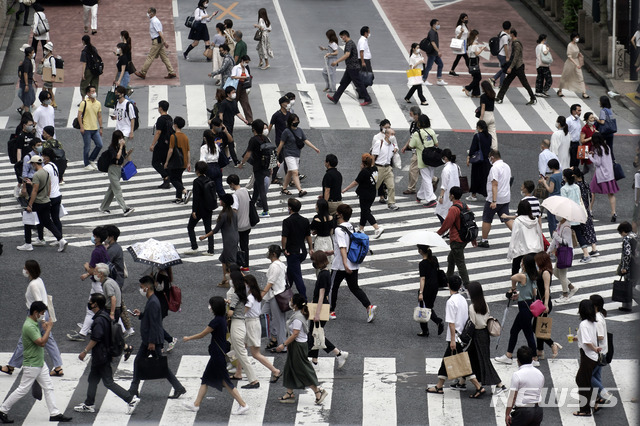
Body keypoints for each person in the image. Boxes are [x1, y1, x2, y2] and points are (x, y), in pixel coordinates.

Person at [0, 301, 72, 424]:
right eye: (42, 314)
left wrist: (44, 325)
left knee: (48, 387)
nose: (43, 316)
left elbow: (41, 332)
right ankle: (2, 410)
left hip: (39, 362)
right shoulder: (29, 326)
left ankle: (54, 413)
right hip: (32, 364)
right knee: (22, 389)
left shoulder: (34, 322)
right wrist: (48, 329)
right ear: (35, 312)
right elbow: (42, 342)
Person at [181, 296, 249, 415]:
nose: (209, 307)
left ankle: (243, 404)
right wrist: (226, 302)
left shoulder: (216, 321)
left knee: (226, 382)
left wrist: (188, 338)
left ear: (215, 308)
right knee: (206, 379)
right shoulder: (223, 317)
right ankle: (196, 404)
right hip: (218, 353)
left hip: (217, 355)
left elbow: (202, 335)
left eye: (211, 305)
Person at [73, 293, 139, 413]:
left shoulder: (99, 320)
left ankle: (130, 399)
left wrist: (84, 351)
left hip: (100, 355)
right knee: (92, 379)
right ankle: (89, 404)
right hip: (105, 354)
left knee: (108, 382)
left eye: (91, 302)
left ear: (95, 304)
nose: (89, 303)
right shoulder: (105, 316)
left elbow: (95, 339)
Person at [1, 260, 64, 377]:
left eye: (25, 268)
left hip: (36, 316)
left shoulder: (33, 285)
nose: (23, 270)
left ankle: (11, 366)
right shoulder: (39, 280)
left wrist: (43, 320)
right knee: (49, 340)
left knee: (23, 341)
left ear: (29, 270)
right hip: (41, 315)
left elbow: (39, 302)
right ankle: (58, 367)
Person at [128, 276, 186, 399]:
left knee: (149, 364)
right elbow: (151, 318)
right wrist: (141, 314)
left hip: (151, 340)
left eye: (141, 287)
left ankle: (134, 389)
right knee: (150, 364)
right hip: (149, 339)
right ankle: (134, 389)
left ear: (147, 287)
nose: (141, 289)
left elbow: (155, 323)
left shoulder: (153, 302)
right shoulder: (152, 300)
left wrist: (152, 342)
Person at [425, 276, 484, 396]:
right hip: (462, 335)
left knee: (461, 363)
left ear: (448, 285)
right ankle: (439, 386)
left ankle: (478, 386)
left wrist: (452, 340)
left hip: (455, 337)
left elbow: (451, 323)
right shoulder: (462, 299)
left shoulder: (451, 301)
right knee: (447, 360)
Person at [275, 294, 328, 405]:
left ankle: (318, 392)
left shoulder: (298, 318)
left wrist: (283, 345)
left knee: (302, 370)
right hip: (295, 345)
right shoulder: (298, 314)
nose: (289, 301)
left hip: (298, 346)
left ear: (295, 304)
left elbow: (295, 334)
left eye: (291, 300)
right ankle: (289, 393)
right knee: (289, 368)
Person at [328, 203, 377, 321]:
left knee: (332, 287)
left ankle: (331, 311)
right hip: (353, 264)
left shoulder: (339, 230)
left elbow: (343, 247)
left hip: (340, 265)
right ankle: (368, 306)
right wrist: (328, 252)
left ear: (339, 214)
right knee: (354, 288)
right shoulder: (351, 227)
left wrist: (344, 264)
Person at [67, 226, 110, 342]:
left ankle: (83, 333)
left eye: (94, 236)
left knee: (94, 308)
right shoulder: (103, 249)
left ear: (97, 238)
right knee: (102, 307)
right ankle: (84, 332)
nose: (93, 237)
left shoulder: (96, 251)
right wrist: (87, 275)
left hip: (97, 285)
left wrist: (86, 268)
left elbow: (92, 270)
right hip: (101, 281)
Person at [494, 255, 539, 365]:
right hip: (529, 306)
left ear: (525, 264)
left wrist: (513, 288)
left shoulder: (523, 276)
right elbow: (534, 293)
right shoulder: (532, 276)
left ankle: (534, 358)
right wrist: (521, 294)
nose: (521, 263)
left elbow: (512, 277)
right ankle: (508, 355)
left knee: (528, 333)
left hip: (524, 308)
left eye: (522, 262)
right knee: (514, 331)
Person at [465, 282, 507, 394]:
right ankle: (461, 381)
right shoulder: (485, 304)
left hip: (477, 335)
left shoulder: (472, 307)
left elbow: (472, 323)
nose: (467, 293)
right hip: (484, 333)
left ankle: (500, 384)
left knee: (484, 360)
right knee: (470, 356)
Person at [308, 251, 349, 366]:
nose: (313, 263)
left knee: (315, 334)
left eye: (314, 261)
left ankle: (339, 353)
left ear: (319, 261)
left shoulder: (323, 275)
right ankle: (315, 360)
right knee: (315, 333)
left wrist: (317, 313)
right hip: (321, 306)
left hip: (319, 308)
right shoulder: (326, 273)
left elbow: (321, 295)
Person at [21, 155, 68, 252]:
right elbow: (49, 186)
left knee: (28, 222)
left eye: (32, 164)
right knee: (48, 222)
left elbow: (34, 191)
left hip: (38, 202)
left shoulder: (37, 175)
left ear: (34, 164)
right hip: (46, 201)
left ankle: (28, 243)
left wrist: (30, 204)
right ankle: (61, 239)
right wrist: (46, 196)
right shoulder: (46, 172)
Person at [243, 275, 281, 378]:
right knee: (241, 349)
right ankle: (238, 372)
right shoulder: (256, 295)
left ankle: (275, 370)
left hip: (251, 324)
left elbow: (243, 312)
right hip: (252, 323)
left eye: (244, 284)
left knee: (255, 353)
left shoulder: (250, 298)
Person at [225, 272, 259, 387]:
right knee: (239, 352)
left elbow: (231, 312)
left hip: (236, 324)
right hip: (241, 323)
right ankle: (244, 376)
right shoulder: (243, 294)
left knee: (242, 354)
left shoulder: (235, 295)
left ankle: (254, 380)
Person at [277, 114, 320, 197]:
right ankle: (300, 190)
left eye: (297, 120)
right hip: (288, 154)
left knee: (290, 172)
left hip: (297, 154)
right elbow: (281, 144)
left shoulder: (300, 130)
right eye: (294, 121)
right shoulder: (286, 132)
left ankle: (284, 188)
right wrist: (276, 155)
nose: (296, 122)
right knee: (295, 172)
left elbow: (305, 140)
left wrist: (315, 148)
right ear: (290, 122)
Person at [200, 194, 238, 287]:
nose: (219, 200)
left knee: (231, 262)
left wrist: (205, 236)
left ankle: (240, 281)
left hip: (228, 240)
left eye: (221, 200)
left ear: (224, 203)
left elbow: (215, 230)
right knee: (223, 259)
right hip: (235, 238)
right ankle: (225, 279)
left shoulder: (224, 215)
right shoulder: (234, 213)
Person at [437, 186, 472, 285]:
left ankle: (466, 284)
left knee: (460, 263)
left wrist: (438, 234)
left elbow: (447, 224)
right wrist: (472, 238)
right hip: (464, 238)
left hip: (457, 239)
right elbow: (470, 221)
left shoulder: (453, 209)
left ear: (452, 196)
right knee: (451, 259)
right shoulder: (464, 205)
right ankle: (448, 279)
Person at [342, 153, 383, 238]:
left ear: (363, 162)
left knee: (366, 211)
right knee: (364, 210)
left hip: (365, 194)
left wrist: (346, 189)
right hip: (372, 193)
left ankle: (376, 228)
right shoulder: (375, 168)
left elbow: (356, 182)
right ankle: (361, 229)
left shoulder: (364, 172)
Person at [327, 30, 372, 107]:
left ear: (345, 36)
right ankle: (335, 98)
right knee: (343, 83)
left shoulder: (349, 44)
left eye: (341, 37)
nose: (341, 39)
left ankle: (367, 99)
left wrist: (336, 61)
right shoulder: (350, 43)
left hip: (353, 68)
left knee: (359, 84)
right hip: (350, 68)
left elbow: (347, 55)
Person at [238, 120, 273, 217]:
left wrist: (242, 163)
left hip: (258, 167)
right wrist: (271, 167)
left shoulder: (253, 140)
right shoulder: (265, 138)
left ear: (253, 129)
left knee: (261, 189)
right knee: (257, 186)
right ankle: (251, 205)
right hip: (266, 165)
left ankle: (266, 211)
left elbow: (248, 153)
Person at [504, 346, 545, 426]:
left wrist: (507, 414)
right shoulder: (540, 374)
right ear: (532, 359)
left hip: (523, 412)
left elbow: (513, 397)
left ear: (518, 361)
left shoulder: (517, 375)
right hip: (538, 411)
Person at [478, 150, 511, 248]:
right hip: (505, 197)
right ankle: (520, 236)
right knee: (506, 218)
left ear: (492, 157)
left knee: (487, 219)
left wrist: (494, 201)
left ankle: (484, 240)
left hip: (495, 198)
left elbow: (494, 184)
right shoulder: (507, 166)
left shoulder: (494, 168)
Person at [281, 198, 313, 299]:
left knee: (297, 276)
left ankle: (304, 299)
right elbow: (308, 236)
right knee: (291, 272)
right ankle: (284, 292)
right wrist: (310, 248)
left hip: (292, 252)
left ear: (290, 208)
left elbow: (284, 237)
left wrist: (284, 249)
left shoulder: (287, 221)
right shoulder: (305, 220)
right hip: (302, 251)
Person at [495, 28, 536, 105]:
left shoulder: (516, 44)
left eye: (509, 34)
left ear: (512, 34)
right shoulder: (514, 43)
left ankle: (533, 98)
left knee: (524, 83)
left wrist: (510, 67)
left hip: (518, 67)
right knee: (506, 82)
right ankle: (499, 97)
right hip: (515, 67)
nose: (509, 36)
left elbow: (516, 57)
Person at [574, 299, 601, 417]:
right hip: (592, 357)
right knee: (586, 380)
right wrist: (576, 338)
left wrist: (594, 348)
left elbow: (587, 341)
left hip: (588, 356)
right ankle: (594, 402)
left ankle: (585, 410)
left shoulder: (583, 324)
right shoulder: (592, 322)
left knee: (581, 381)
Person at [134, 7, 177, 79]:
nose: (147, 14)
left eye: (148, 12)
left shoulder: (154, 21)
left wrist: (165, 42)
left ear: (152, 13)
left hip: (156, 42)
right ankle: (171, 72)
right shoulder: (154, 20)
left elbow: (159, 32)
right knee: (164, 57)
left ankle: (143, 72)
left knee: (150, 57)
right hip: (159, 41)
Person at [99, 130, 134, 216]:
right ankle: (125, 209)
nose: (121, 139)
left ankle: (103, 207)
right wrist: (121, 146)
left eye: (122, 137)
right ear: (116, 139)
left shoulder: (121, 146)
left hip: (119, 170)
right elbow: (117, 157)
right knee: (117, 190)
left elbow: (123, 157)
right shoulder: (112, 148)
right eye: (120, 138)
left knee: (111, 191)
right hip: (112, 170)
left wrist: (128, 153)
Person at [533, 252, 562, 359]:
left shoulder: (546, 272)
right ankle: (540, 350)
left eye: (537, 260)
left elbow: (546, 289)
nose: (536, 262)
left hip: (544, 303)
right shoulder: (540, 271)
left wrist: (546, 304)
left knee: (535, 327)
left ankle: (552, 344)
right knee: (539, 326)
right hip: (539, 302)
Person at [561, 169, 592, 263]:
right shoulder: (576, 187)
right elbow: (579, 199)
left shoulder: (564, 189)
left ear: (565, 178)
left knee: (564, 234)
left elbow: (564, 202)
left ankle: (566, 255)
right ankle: (586, 254)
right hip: (577, 212)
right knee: (579, 233)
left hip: (568, 214)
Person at [506, 201, 543, 275]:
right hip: (535, 248)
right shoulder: (534, 220)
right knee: (533, 269)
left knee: (515, 268)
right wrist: (542, 249)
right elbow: (539, 235)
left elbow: (514, 237)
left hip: (522, 249)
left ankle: (514, 284)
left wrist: (510, 254)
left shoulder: (518, 221)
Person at [409, 115, 438, 207]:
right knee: (428, 177)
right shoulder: (431, 131)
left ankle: (431, 198)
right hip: (432, 158)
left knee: (426, 179)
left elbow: (411, 145)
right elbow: (436, 144)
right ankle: (420, 195)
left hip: (422, 159)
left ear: (420, 123)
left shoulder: (417, 133)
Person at [588, 132, 618, 222]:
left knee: (592, 191)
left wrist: (590, 156)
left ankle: (590, 211)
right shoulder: (606, 147)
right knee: (611, 194)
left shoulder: (597, 149)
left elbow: (598, 163)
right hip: (609, 174)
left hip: (600, 174)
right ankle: (613, 212)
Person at [262, 245, 288, 350]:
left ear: (273, 254)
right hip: (275, 295)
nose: (267, 253)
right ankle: (274, 337)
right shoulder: (281, 264)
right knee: (263, 315)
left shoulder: (275, 266)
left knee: (279, 321)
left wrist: (261, 295)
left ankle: (282, 345)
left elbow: (270, 283)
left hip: (277, 296)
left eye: (269, 251)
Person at [415, 245, 445, 337]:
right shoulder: (434, 259)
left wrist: (420, 292)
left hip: (427, 287)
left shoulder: (422, 264)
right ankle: (436, 323)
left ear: (420, 251)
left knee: (423, 308)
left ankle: (427, 329)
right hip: (435, 286)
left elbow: (423, 279)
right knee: (429, 307)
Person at [186, 162, 214, 256]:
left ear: (197, 170)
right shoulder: (209, 179)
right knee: (208, 229)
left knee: (190, 227)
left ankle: (194, 246)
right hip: (208, 208)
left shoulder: (197, 181)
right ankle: (211, 250)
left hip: (199, 209)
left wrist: (194, 210)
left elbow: (196, 198)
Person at [547, 216, 578, 303]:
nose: (556, 216)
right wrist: (548, 251)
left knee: (562, 275)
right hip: (560, 253)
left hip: (565, 253)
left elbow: (566, 242)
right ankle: (572, 288)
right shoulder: (560, 225)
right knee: (556, 273)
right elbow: (554, 240)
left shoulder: (566, 227)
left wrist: (556, 235)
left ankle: (565, 295)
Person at [589, 294, 610, 410]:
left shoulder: (597, 318)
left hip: (598, 352)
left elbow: (600, 336)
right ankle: (598, 398)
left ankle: (604, 394)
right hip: (602, 352)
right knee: (596, 376)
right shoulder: (599, 315)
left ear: (595, 305)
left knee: (587, 376)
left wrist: (586, 338)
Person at [165, 116, 192, 204]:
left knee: (173, 179)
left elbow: (171, 150)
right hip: (183, 162)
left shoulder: (173, 136)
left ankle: (185, 192)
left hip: (176, 162)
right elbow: (188, 151)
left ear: (175, 125)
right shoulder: (185, 137)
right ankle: (179, 198)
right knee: (178, 178)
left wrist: (166, 162)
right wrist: (188, 163)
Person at [572, 167, 599, 255]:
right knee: (590, 228)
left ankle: (584, 249)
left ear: (575, 176)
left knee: (581, 229)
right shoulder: (585, 183)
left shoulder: (575, 186)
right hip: (586, 208)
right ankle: (594, 248)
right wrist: (590, 206)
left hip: (580, 209)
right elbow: (591, 195)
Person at [226, 174, 251, 269]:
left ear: (232, 184)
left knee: (234, 246)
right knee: (245, 246)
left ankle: (236, 264)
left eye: (229, 185)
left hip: (239, 225)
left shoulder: (235, 195)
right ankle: (246, 265)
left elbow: (235, 209)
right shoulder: (245, 191)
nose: (230, 187)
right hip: (247, 224)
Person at [152, 268, 179, 352]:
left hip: (161, 304)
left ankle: (170, 340)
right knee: (157, 324)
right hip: (160, 303)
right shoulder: (160, 273)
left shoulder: (163, 276)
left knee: (157, 325)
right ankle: (162, 345)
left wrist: (154, 282)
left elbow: (160, 288)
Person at [78, 85, 103, 171]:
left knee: (100, 145)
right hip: (86, 128)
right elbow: (79, 115)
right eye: (92, 91)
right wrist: (81, 126)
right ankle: (86, 163)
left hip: (95, 128)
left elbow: (99, 116)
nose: (94, 93)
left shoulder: (98, 103)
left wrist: (101, 127)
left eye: (94, 91)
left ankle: (91, 159)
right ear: (88, 93)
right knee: (87, 147)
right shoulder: (84, 103)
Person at [466, 120, 492, 201]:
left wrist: (469, 157)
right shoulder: (489, 136)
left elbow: (473, 148)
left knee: (475, 177)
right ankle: (487, 194)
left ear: (479, 127)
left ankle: (473, 195)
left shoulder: (477, 136)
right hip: (486, 160)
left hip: (478, 161)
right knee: (485, 178)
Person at [557, 32, 588, 99]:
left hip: (576, 61)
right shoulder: (570, 45)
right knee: (565, 77)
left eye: (578, 37)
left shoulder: (576, 45)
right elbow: (569, 56)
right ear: (572, 38)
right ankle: (560, 90)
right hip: (570, 63)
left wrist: (579, 56)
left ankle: (584, 92)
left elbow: (577, 52)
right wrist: (576, 64)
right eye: (576, 37)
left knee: (580, 77)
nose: (577, 38)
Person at [151, 100, 174, 188]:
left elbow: (158, 132)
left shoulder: (161, 119)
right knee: (165, 162)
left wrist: (153, 144)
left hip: (161, 144)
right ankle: (166, 181)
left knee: (155, 162)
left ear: (160, 108)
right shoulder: (169, 118)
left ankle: (166, 177)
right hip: (168, 143)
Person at [269, 96, 292, 182]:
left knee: (280, 158)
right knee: (285, 158)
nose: (288, 104)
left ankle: (273, 176)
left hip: (288, 140)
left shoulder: (289, 115)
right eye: (287, 102)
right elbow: (270, 126)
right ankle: (288, 178)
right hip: (280, 140)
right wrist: (265, 135)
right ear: (282, 104)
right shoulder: (276, 115)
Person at [401, 106, 423, 195]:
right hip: (415, 149)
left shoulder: (421, 124)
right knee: (420, 168)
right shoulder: (414, 123)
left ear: (416, 114)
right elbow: (412, 136)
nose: (411, 116)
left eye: (411, 114)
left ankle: (411, 188)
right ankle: (433, 179)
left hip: (419, 149)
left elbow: (416, 137)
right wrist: (406, 146)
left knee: (413, 169)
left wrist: (408, 145)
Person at [616, 221, 637, 312]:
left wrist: (624, 267)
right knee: (630, 286)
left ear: (624, 231)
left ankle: (627, 306)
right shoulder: (635, 236)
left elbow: (627, 255)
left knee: (629, 287)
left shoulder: (627, 239)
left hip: (631, 267)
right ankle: (626, 306)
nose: (621, 235)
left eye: (621, 233)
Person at [41, 148, 62, 236]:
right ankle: (60, 236)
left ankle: (57, 237)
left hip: (50, 197)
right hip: (57, 195)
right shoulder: (54, 165)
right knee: (56, 218)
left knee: (44, 218)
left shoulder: (45, 168)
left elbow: (44, 183)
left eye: (43, 156)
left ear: (47, 157)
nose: (42, 157)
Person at [538, 158, 562, 235]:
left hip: (553, 199)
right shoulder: (561, 174)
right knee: (559, 218)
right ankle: (560, 233)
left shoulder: (553, 177)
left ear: (552, 167)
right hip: (560, 197)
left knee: (551, 219)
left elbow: (550, 190)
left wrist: (545, 182)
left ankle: (553, 235)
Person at [435, 149, 460, 222]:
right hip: (456, 193)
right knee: (451, 213)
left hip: (448, 194)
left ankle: (445, 229)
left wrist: (441, 197)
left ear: (445, 157)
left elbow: (444, 185)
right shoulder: (456, 166)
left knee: (440, 212)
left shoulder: (446, 169)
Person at [422, 19, 447, 86]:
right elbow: (433, 42)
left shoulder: (435, 32)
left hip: (434, 53)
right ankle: (423, 80)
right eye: (437, 24)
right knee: (429, 67)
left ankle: (439, 79)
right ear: (433, 25)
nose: (439, 25)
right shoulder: (432, 32)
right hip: (432, 53)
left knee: (440, 64)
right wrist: (438, 51)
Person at [231, 55, 253, 124]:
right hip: (236, 87)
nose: (246, 63)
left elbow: (248, 76)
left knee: (245, 102)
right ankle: (229, 117)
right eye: (246, 62)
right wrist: (240, 77)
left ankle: (250, 120)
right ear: (242, 61)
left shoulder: (246, 68)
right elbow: (232, 76)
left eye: (247, 62)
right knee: (233, 103)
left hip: (243, 87)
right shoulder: (236, 68)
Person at [463, 30, 484, 97]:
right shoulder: (474, 45)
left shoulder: (470, 43)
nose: (478, 37)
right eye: (477, 35)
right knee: (478, 77)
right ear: (475, 36)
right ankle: (468, 88)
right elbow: (477, 53)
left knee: (476, 77)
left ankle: (476, 93)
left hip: (471, 60)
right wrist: (482, 49)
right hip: (474, 61)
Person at [490, 21, 511, 88]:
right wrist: (507, 57)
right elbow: (505, 47)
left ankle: (494, 79)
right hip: (503, 55)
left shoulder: (502, 33)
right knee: (504, 70)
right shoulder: (505, 37)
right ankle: (501, 84)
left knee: (503, 69)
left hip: (499, 54)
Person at [17, 45, 36, 115]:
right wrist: (27, 84)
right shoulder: (27, 62)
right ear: (29, 54)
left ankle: (22, 109)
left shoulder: (27, 61)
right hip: (26, 83)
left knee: (31, 98)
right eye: (32, 52)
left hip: (27, 82)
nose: (33, 53)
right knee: (28, 99)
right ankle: (27, 115)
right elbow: (25, 73)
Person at [478, 81, 498, 148]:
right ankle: (495, 149)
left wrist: (481, 119)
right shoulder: (493, 94)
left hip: (485, 116)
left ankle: (475, 149)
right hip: (491, 115)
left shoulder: (483, 97)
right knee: (493, 134)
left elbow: (483, 108)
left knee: (478, 133)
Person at [597, 96, 616, 161]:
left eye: (600, 101)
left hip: (604, 132)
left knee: (600, 146)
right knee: (610, 147)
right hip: (610, 132)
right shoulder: (610, 110)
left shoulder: (603, 110)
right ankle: (612, 160)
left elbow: (602, 122)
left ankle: (601, 159)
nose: (599, 102)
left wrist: (596, 119)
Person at [534, 34, 552, 98]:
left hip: (538, 64)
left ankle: (538, 91)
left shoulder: (537, 46)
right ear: (544, 39)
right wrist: (547, 49)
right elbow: (545, 53)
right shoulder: (543, 46)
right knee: (549, 79)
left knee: (540, 78)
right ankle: (544, 90)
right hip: (544, 65)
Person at [41, 42, 57, 108]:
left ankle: (45, 101)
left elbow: (53, 67)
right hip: (46, 76)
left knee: (44, 90)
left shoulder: (52, 58)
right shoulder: (45, 57)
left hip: (49, 76)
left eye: (46, 49)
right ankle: (53, 102)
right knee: (50, 90)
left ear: (49, 50)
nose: (45, 51)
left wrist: (53, 76)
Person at [566, 103, 583, 168]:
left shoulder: (578, 120)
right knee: (572, 161)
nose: (580, 112)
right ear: (573, 111)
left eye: (580, 110)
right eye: (578, 110)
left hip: (577, 143)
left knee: (577, 161)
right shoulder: (568, 120)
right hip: (571, 144)